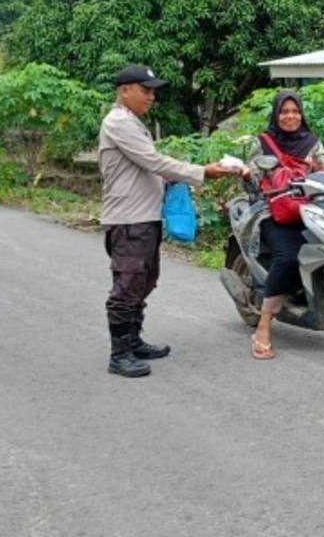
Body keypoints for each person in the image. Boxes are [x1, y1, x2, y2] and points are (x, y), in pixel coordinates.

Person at [98, 64, 243, 378]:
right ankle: (119, 353)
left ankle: (134, 340)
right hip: (128, 219)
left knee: (143, 281)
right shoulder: (118, 122)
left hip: (144, 217)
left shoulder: (133, 123)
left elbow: (147, 168)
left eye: (153, 91)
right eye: (145, 89)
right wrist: (202, 172)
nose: (151, 96)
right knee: (127, 285)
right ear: (125, 91)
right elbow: (153, 161)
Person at [248, 89, 324, 360]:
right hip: (273, 213)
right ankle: (263, 325)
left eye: (295, 111)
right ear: (276, 114)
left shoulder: (312, 142)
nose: (290, 116)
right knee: (288, 257)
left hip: (309, 210)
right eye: (284, 111)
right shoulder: (263, 142)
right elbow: (252, 178)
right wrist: (255, 176)